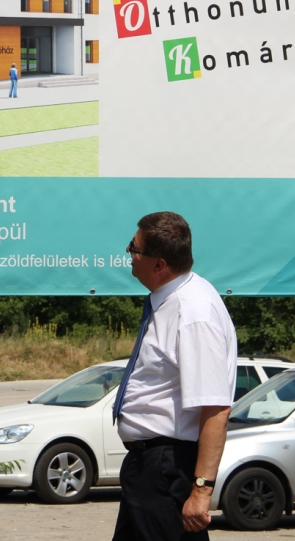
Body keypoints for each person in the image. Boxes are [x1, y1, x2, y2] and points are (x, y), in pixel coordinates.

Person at [111, 211, 237, 541]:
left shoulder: (193, 312)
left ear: (159, 264)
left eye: (134, 248)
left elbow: (216, 407)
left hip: (167, 468)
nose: (128, 253)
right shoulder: (172, 301)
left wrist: (201, 490)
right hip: (147, 466)